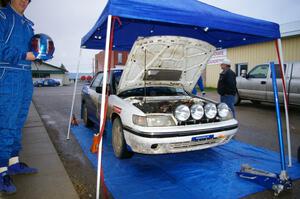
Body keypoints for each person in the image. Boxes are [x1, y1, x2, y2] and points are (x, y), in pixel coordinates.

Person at [0, 0, 37, 194]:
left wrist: (41, 53)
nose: (24, 1)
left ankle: (13, 162)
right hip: (8, 74)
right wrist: (27, 55)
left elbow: (34, 50)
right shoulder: (3, 16)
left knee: (18, 121)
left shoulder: (28, 24)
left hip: (25, 75)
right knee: (6, 122)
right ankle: (1, 170)